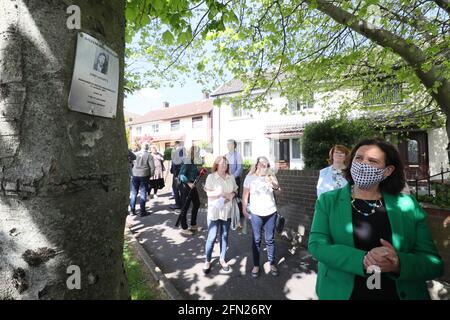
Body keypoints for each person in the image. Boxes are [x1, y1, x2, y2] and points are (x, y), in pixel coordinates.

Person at [308, 138, 444, 300]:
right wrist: (364, 260)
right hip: (343, 293)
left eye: (372, 161)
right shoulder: (328, 201)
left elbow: (433, 263)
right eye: (358, 158)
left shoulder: (407, 205)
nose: (362, 164)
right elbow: (317, 246)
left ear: (387, 171)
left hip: (396, 293)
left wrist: (399, 263)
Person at [242, 156, 281, 278]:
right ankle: (256, 265)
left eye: (266, 164)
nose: (264, 165)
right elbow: (245, 195)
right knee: (256, 240)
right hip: (256, 213)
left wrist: (274, 185)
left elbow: (279, 191)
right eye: (262, 163)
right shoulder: (250, 178)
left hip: (270, 212)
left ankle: (272, 263)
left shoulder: (271, 176)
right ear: (257, 164)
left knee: (270, 239)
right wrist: (244, 209)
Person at [202, 156, 238, 274]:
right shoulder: (211, 177)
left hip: (227, 211)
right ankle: (207, 260)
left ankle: (222, 259)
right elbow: (208, 194)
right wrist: (219, 193)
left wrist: (232, 195)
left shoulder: (231, 177)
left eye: (226, 164)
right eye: (222, 163)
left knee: (224, 235)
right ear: (216, 164)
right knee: (212, 237)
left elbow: (235, 190)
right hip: (214, 212)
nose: (224, 165)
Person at [178, 146, 202, 235]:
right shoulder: (187, 161)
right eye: (197, 153)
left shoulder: (194, 162)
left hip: (192, 185)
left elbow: (193, 172)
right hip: (185, 185)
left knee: (197, 203)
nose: (199, 154)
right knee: (185, 206)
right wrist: (188, 183)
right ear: (193, 153)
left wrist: (200, 172)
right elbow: (181, 175)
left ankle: (193, 224)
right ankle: (184, 228)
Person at [130, 142, 155, 217]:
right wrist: (151, 175)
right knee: (143, 193)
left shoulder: (136, 154)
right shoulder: (149, 155)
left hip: (135, 174)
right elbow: (152, 167)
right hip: (144, 174)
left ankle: (132, 210)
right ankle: (142, 211)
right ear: (147, 148)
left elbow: (132, 162)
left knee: (134, 192)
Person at [170, 141, 185, 210]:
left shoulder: (177, 152)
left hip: (178, 174)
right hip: (182, 173)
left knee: (175, 189)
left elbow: (175, 164)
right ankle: (182, 204)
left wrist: (175, 174)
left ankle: (178, 204)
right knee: (181, 189)